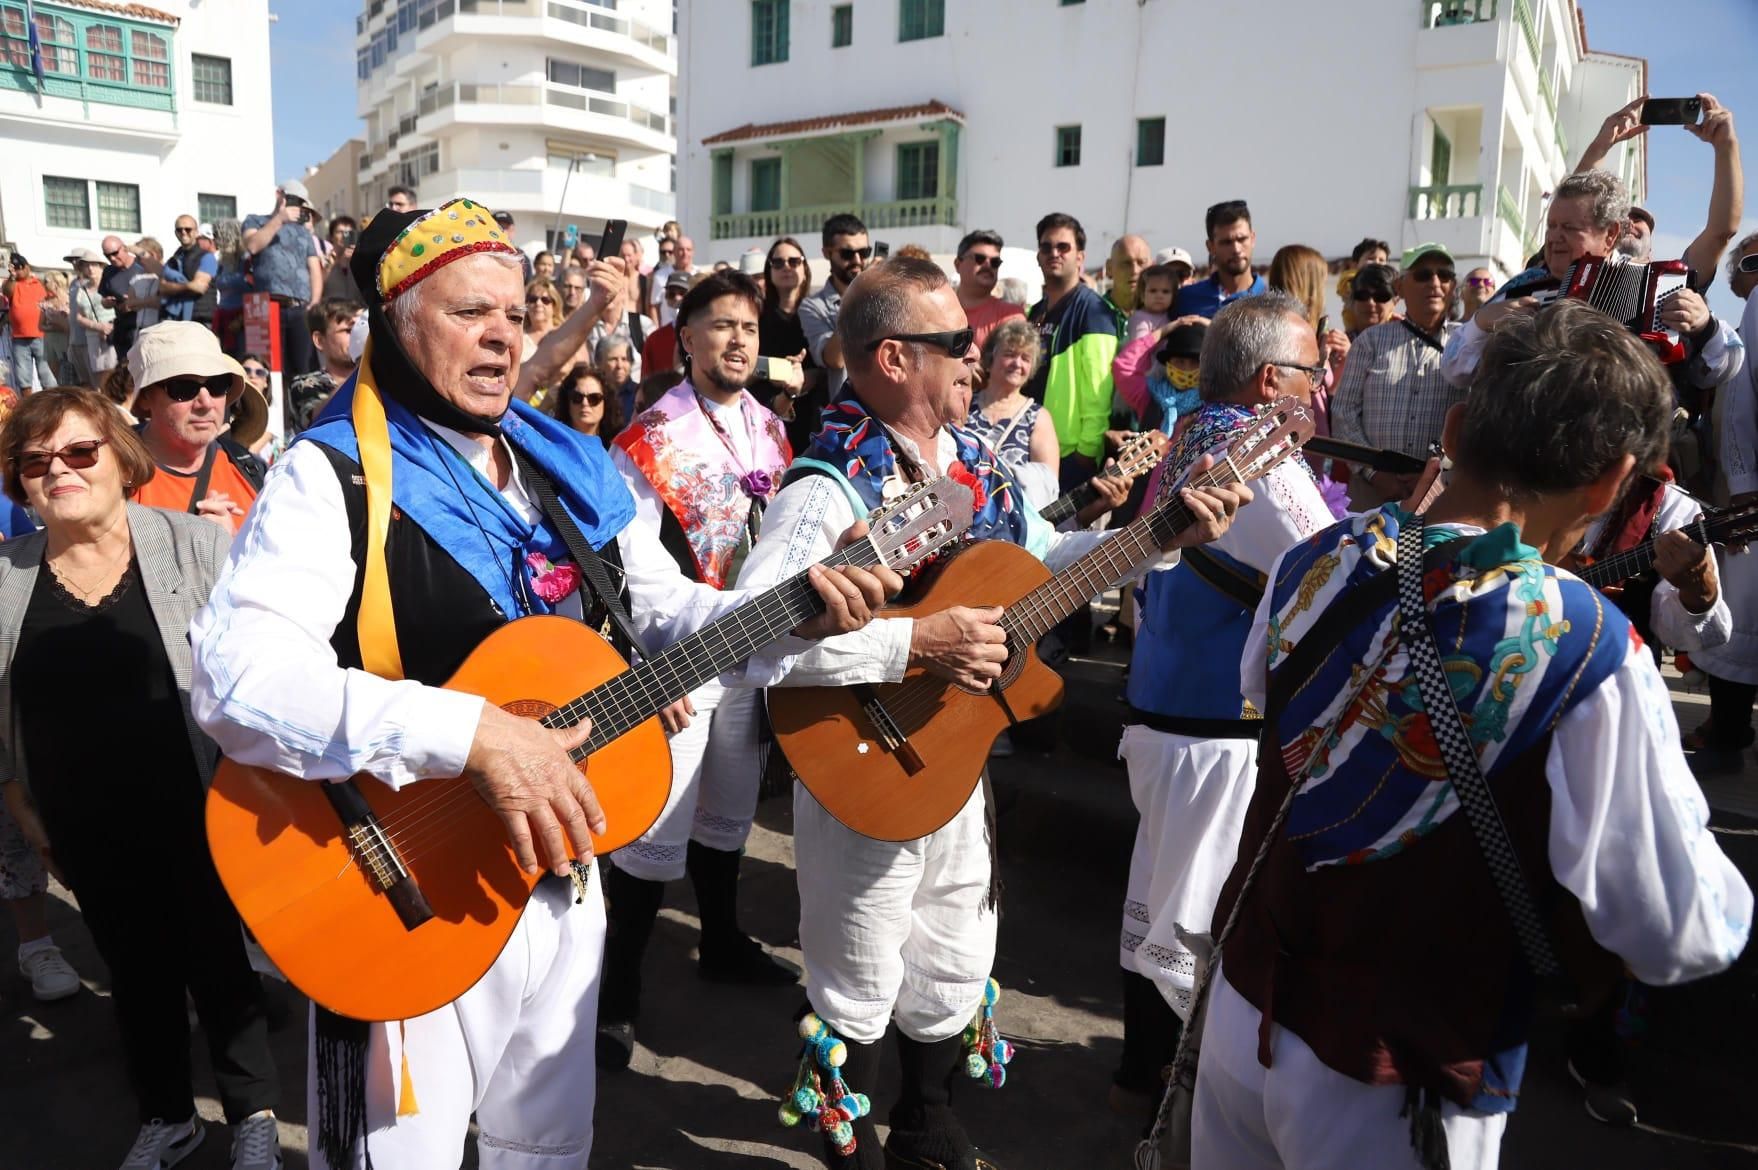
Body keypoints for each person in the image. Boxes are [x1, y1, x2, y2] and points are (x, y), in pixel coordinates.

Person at [187, 198, 893, 1170]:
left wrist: (794, 610)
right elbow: (235, 677)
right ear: (396, 323)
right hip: (401, 888)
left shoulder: (565, 466)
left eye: (515, 316)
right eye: (468, 314)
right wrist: (474, 735)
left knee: (550, 1150)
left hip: (565, 877)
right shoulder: (334, 476)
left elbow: (665, 610)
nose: (501, 340)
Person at [1196, 299, 1752, 1170]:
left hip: (1241, 1007)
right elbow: (1679, 929)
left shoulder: (1315, 557)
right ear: (1611, 482)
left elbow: (1262, 699)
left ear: (1454, 425)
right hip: (1397, 1075)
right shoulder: (1589, 644)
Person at [740, 256, 1249, 1170]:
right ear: (895, 359)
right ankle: (841, 1134)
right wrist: (914, 643)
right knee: (859, 961)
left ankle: (926, 1122)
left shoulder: (978, 463)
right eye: (958, 346)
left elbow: (1045, 565)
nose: (977, 362)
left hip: (956, 748)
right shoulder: (827, 487)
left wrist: (1160, 534)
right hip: (861, 751)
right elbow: (751, 641)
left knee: (955, 946)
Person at [0, 386, 285, 1170]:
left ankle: (251, 1111)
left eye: (78, 451)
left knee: (221, 962)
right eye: (34, 461)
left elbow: (265, 672)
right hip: (81, 821)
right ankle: (167, 1114)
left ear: (119, 459)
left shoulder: (197, 545)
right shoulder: (5, 577)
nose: (57, 470)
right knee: (133, 969)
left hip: (203, 803)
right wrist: (20, 805)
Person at [1112, 292, 1335, 1115]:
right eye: (1313, 371)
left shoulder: (1196, 434)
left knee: (1161, 903)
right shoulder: (1258, 455)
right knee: (1189, 921)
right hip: (1209, 727)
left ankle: (1140, 1082)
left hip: (1168, 710)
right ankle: (1163, 1108)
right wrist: (1419, 517)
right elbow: (1339, 566)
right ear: (1272, 378)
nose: (1321, 386)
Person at [599, 270, 800, 1070]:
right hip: (679, 660)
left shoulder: (774, 433)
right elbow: (637, 573)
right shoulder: (647, 438)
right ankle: (616, 997)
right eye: (720, 325)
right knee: (654, 832)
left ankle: (721, 941)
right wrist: (676, 649)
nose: (738, 339)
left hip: (751, 655)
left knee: (730, 814)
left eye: (748, 326)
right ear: (685, 338)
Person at [1443, 170, 1739, 402]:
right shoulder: (1524, 288)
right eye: (1551, 226)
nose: (1554, 237)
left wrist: (1705, 328)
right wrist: (1481, 323)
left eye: (1569, 228)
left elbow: (1722, 368)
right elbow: (1454, 371)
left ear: (1610, 235)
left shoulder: (1657, 289)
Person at [1686, 230, 1758, 762]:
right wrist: (1744, 489)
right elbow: (1738, 405)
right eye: (1753, 261)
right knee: (1741, 620)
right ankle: (1729, 733)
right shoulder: (1752, 310)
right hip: (1750, 499)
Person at [1332, 244, 1463, 509]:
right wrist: (1375, 473)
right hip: (1370, 493)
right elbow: (1343, 412)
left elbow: (1474, 421)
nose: (1435, 283)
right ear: (1401, 288)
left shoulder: (1466, 345)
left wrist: (1436, 475)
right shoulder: (1371, 341)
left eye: (1444, 275)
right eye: (1423, 275)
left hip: (1439, 496)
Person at [128, 322, 268, 531]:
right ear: (146, 397)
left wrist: (234, 548)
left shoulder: (250, 469)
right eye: (183, 388)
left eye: (217, 385)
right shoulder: (115, 474)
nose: (206, 402)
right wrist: (207, 548)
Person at [1027, 212, 1121, 487]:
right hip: (1034, 444)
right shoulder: (1035, 311)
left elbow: (1099, 390)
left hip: (1071, 454)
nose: (1053, 253)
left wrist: (1087, 452)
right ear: (1038, 255)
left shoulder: (1094, 310)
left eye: (1063, 247)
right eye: (1046, 247)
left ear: (1080, 257)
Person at [967, 317, 1062, 512]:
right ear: (991, 357)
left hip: (1010, 524)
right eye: (1010, 354)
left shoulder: (1037, 417)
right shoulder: (965, 403)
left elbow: (1047, 487)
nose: (1017, 363)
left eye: (1025, 358)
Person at [242, 180, 325, 377]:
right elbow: (253, 245)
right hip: (266, 307)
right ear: (279, 194)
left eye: (301, 202)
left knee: (302, 370)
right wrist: (279, 219)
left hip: (300, 308)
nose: (297, 205)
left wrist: (315, 302)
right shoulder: (255, 220)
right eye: (293, 199)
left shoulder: (304, 232)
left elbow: (314, 267)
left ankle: (300, 408)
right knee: (268, 369)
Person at [799, 213, 871, 401]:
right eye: (847, 254)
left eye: (864, 253)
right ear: (827, 253)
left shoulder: (880, 294)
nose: (857, 260)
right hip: (849, 418)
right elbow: (835, 359)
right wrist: (859, 295)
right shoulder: (812, 306)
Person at [757, 236, 819, 450]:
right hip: (768, 416)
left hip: (815, 416)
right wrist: (780, 372)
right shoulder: (757, 318)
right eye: (778, 262)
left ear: (804, 269)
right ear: (769, 270)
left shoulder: (817, 313)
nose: (786, 267)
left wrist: (809, 376)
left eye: (794, 261)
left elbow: (829, 364)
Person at [1173, 201, 1268, 320]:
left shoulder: (1273, 300)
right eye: (1226, 242)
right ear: (1210, 247)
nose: (1236, 249)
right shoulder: (1185, 300)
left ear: (1253, 239)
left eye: (1242, 239)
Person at [286, 300, 365, 434]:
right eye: (349, 330)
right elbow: (319, 419)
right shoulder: (304, 385)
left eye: (361, 330)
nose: (358, 336)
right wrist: (364, 364)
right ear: (319, 340)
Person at [953, 230, 1025, 355]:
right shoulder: (937, 309)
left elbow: (1010, 365)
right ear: (958, 264)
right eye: (979, 259)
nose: (988, 265)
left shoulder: (1011, 315)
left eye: (995, 262)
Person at [4, 254, 54, 391]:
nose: (18, 271)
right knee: (24, 379)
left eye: (20, 268)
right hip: (20, 338)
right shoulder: (12, 284)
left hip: (42, 336)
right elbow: (7, 292)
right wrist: (12, 276)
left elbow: (54, 298)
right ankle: (28, 408)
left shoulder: (39, 283)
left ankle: (51, 407)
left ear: (27, 267)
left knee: (47, 377)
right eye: (16, 269)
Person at [159, 214, 218, 325]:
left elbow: (199, 287)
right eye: (179, 230)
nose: (183, 232)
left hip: (201, 320)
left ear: (196, 232)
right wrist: (188, 285)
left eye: (188, 229)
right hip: (177, 320)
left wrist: (172, 287)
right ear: (175, 233)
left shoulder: (207, 257)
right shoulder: (174, 259)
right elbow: (161, 288)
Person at [550, 363, 621, 444]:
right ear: (567, 402)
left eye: (594, 398)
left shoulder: (616, 448)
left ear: (606, 403)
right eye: (577, 397)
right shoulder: (553, 443)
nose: (585, 403)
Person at [210, 221, 250, 357]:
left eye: (218, 237)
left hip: (241, 321)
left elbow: (254, 291)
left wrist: (240, 319)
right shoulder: (222, 263)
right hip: (224, 319)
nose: (215, 241)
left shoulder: (246, 261)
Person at [1104, 234, 1154, 319]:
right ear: (1109, 268)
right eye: (1126, 263)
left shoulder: (1164, 315)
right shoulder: (1092, 312)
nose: (1135, 271)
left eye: (1141, 263)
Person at [1344, 261, 1400, 338]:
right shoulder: (1333, 345)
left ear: (1395, 301)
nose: (1370, 302)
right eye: (1363, 295)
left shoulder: (1407, 342)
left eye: (1380, 296)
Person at [596, 335, 639, 429]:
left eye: (624, 359)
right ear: (599, 363)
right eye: (613, 359)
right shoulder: (592, 396)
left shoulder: (640, 395)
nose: (619, 365)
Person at [653, 236, 697, 327]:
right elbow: (654, 306)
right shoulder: (660, 276)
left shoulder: (699, 275)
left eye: (688, 249)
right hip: (667, 329)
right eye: (681, 249)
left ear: (693, 252)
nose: (684, 253)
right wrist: (656, 330)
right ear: (674, 252)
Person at [38, 271, 72, 387]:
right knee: (58, 379)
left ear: (55, 283)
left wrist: (62, 325)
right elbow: (40, 326)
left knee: (69, 374)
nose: (44, 284)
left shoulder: (69, 300)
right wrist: (53, 327)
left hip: (65, 340)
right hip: (50, 342)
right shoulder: (46, 303)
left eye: (47, 281)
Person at [522, 276, 564, 359]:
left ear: (554, 305)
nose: (538, 303)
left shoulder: (564, 335)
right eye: (532, 299)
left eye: (545, 300)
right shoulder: (519, 337)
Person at [322, 216, 362, 304]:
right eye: (340, 232)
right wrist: (336, 264)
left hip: (356, 310)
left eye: (348, 232)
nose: (344, 236)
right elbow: (318, 285)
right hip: (332, 310)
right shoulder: (324, 257)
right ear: (331, 236)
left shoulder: (361, 259)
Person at [646, 235, 678, 323]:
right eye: (663, 252)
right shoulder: (656, 275)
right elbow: (653, 306)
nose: (666, 255)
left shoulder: (692, 271)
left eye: (670, 252)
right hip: (666, 326)